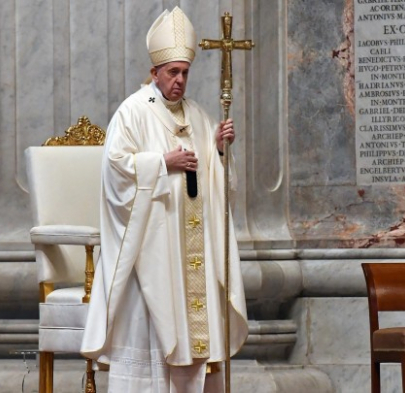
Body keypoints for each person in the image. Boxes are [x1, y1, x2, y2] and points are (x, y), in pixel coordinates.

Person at [81, 7, 248, 392]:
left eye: (185, 72)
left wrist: (220, 150)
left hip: (192, 249)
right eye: (173, 72)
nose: (180, 80)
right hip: (154, 251)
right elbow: (115, 170)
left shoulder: (200, 115)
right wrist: (162, 163)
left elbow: (216, 180)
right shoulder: (133, 113)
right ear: (155, 72)